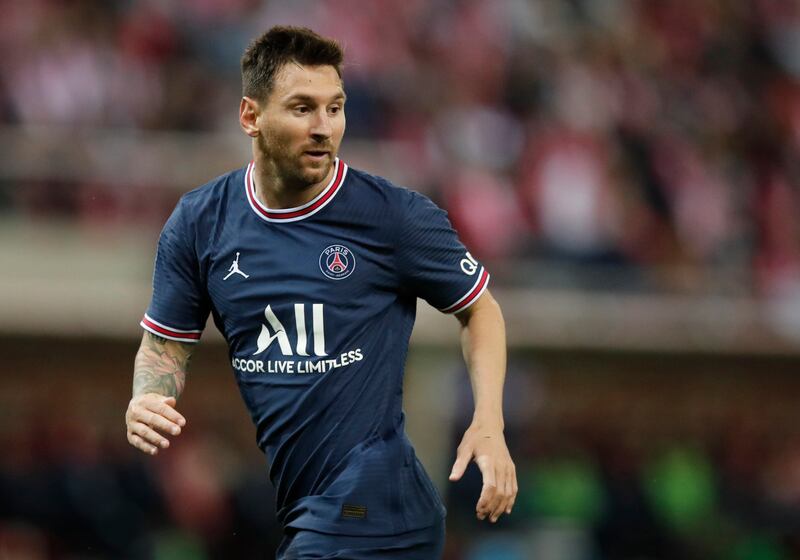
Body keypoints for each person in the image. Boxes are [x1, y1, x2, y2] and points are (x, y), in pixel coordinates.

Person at [125, 25, 516, 559]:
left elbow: (480, 309)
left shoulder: (392, 216)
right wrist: (149, 395)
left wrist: (488, 421)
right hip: (308, 506)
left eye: (335, 108)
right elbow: (167, 343)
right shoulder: (200, 223)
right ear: (250, 117)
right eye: (302, 108)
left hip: (372, 503)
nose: (323, 127)